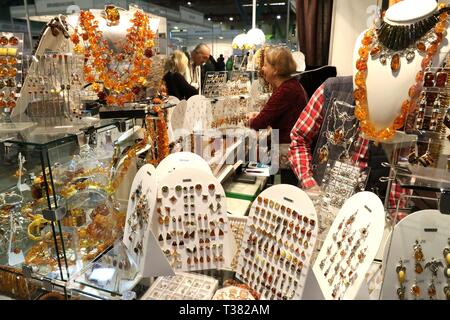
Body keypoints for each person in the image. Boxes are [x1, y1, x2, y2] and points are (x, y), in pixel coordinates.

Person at [288, 76, 410, 218]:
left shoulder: (403, 102)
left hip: (367, 215)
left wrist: (395, 217)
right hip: (318, 204)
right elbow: (299, 138)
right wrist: (309, 183)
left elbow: (402, 168)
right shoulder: (333, 88)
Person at [247, 46, 308, 185]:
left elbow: (259, 123)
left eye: (266, 65)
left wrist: (249, 121)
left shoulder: (286, 90)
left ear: (276, 70)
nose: (263, 68)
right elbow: (273, 114)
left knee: (249, 167)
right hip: (287, 148)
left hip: (286, 152)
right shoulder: (291, 86)